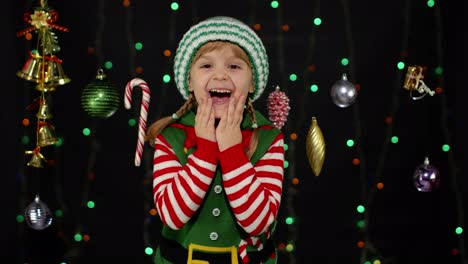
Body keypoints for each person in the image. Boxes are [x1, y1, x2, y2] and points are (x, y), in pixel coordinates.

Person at [146, 16, 285, 264]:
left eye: (234, 66)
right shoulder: (172, 136)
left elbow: (257, 223)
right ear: (189, 80)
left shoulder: (268, 138)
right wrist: (206, 149)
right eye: (206, 66)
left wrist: (232, 150)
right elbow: (172, 215)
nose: (220, 76)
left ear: (252, 81)